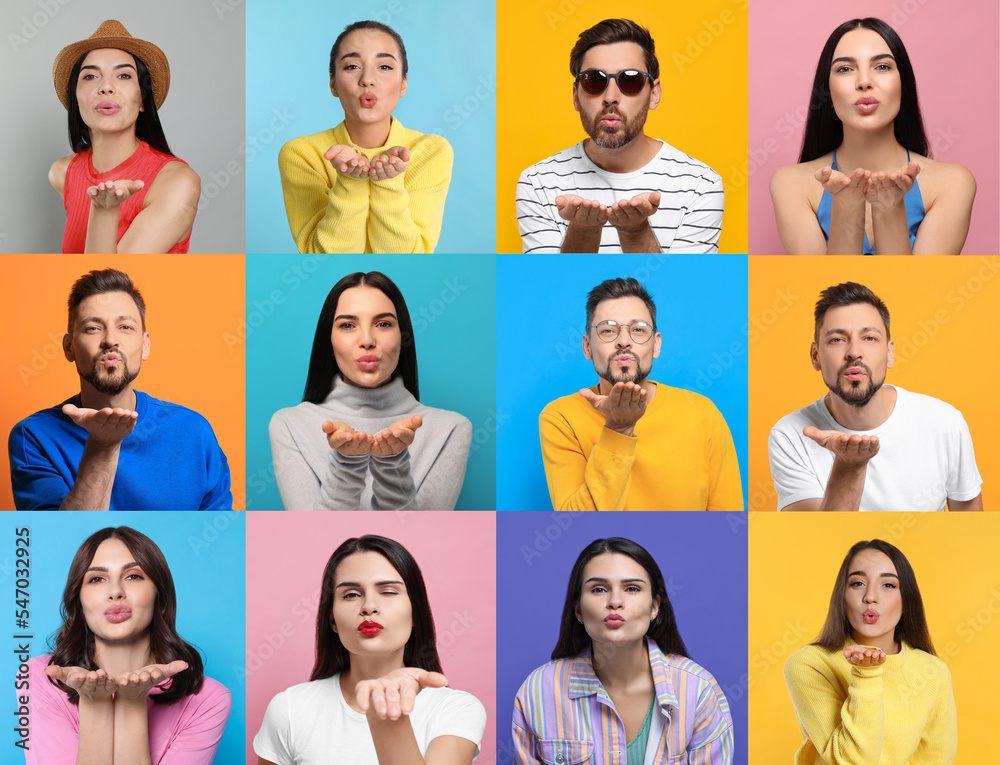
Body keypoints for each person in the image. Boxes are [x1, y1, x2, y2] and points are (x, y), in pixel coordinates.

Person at [7, 268, 232, 510]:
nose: (111, 340)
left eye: (125, 327)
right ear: (69, 347)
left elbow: (221, 541)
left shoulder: (194, 431)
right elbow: (60, 541)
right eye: (93, 328)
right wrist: (103, 446)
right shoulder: (33, 436)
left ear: (145, 345)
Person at [254, 534, 486, 764]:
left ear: (416, 612)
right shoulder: (289, 709)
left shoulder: (456, 709)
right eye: (351, 595)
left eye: (388, 592)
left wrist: (386, 718)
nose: (369, 607)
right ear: (332, 620)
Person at [513, 537, 733, 763]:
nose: (615, 601)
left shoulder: (698, 691)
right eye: (598, 589)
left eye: (632, 588)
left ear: (654, 607)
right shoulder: (538, 691)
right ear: (578, 610)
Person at [768, 281, 982, 511]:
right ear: (815, 356)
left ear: (889, 353)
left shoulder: (946, 423)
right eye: (837, 339)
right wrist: (849, 467)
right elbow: (817, 541)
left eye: (869, 338)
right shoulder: (789, 435)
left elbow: (973, 531)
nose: (854, 352)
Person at [516, 18, 724, 255]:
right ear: (576, 96)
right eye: (594, 81)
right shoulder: (537, 182)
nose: (611, 96)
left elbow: (680, 289)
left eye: (630, 80)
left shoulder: (700, 184)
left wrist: (635, 232)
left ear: (654, 94)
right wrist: (583, 232)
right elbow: (551, 288)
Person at [26, 526, 231, 764]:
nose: (115, 592)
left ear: (159, 595)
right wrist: (95, 703)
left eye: (133, 576)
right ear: (78, 601)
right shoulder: (39, 678)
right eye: (97, 579)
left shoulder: (208, 700)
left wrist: (131, 703)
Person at [770, 17, 975, 256]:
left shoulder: (953, 183)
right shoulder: (791, 184)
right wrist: (847, 207)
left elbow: (917, 289)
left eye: (882, 67)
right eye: (845, 69)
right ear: (827, 94)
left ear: (903, 86)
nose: (864, 82)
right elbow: (828, 289)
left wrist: (889, 209)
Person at [269, 271, 471, 510]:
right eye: (347, 325)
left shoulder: (451, 429)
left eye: (384, 324)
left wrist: (392, 463)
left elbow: (415, 537)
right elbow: (317, 537)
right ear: (329, 343)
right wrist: (347, 464)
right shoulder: (289, 424)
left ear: (402, 337)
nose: (367, 340)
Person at [539, 277, 743, 511]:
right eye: (607, 330)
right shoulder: (561, 417)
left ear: (656, 345)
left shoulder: (702, 413)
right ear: (587, 347)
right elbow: (578, 525)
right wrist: (618, 430)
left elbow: (726, 521)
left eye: (638, 330)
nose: (624, 341)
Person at [278, 20, 453, 253]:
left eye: (384, 67)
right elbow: (324, 257)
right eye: (352, 66)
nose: (367, 80)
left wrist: (387, 183)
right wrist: (351, 182)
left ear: (403, 84)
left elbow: (411, 257)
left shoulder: (431, 151)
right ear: (333, 84)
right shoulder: (302, 153)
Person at [784, 539, 956, 764]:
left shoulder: (933, 671)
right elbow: (852, 760)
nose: (870, 597)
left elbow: (936, 758)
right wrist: (867, 675)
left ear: (907, 599)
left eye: (888, 585)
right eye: (857, 583)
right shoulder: (808, 664)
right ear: (841, 596)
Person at [50, 20, 200, 254]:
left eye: (123, 76)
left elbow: (108, 281)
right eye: (90, 77)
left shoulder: (178, 182)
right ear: (76, 98)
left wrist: (104, 210)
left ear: (142, 100)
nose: (106, 87)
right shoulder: (61, 173)